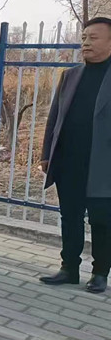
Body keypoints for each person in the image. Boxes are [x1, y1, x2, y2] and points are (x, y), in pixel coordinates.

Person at [40, 16, 111, 294]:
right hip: (69, 160)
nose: (86, 43)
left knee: (102, 220)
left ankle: (100, 272)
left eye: (93, 38)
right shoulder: (70, 76)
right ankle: (69, 268)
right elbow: (54, 117)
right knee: (70, 216)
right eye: (84, 38)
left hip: (103, 164)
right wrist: (47, 153)